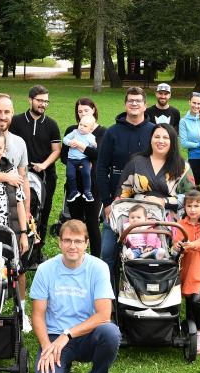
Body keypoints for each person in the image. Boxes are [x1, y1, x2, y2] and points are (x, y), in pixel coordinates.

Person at [32, 220, 120, 373]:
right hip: (55, 335)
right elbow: (38, 315)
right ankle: (63, 368)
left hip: (87, 334)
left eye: (78, 241)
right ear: (60, 242)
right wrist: (47, 346)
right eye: (67, 240)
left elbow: (104, 315)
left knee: (110, 332)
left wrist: (68, 334)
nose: (73, 246)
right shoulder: (45, 270)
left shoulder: (99, 268)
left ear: (86, 243)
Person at [96, 88, 156, 267]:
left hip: (146, 200)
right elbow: (101, 168)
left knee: (144, 251)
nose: (134, 104)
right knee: (107, 253)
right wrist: (107, 202)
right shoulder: (112, 132)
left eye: (138, 101)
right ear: (125, 104)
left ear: (145, 105)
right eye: (131, 100)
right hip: (117, 199)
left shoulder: (154, 132)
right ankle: (108, 285)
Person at [10, 85, 61, 252]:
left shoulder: (52, 124)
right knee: (19, 210)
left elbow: (56, 150)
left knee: (43, 213)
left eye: (46, 101)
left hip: (46, 175)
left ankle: (38, 251)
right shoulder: (16, 122)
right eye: (40, 100)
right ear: (30, 100)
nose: (43, 104)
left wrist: (44, 165)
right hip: (20, 174)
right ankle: (18, 246)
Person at [60, 98, 106, 256]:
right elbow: (63, 156)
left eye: (86, 110)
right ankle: (77, 256)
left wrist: (81, 147)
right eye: (80, 111)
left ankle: (96, 258)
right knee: (76, 222)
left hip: (93, 185)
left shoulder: (102, 132)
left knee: (92, 223)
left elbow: (99, 154)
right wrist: (80, 163)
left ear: (93, 110)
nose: (83, 114)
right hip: (74, 183)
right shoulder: (72, 130)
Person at [171, 189, 200, 354]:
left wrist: (189, 245)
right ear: (185, 207)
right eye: (189, 206)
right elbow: (176, 241)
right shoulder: (181, 224)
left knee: (196, 300)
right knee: (189, 302)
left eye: (196, 206)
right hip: (186, 268)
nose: (193, 209)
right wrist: (177, 246)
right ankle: (191, 331)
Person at [117, 124, 195, 206]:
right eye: (157, 137)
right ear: (151, 139)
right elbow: (123, 191)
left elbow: (191, 196)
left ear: (172, 141)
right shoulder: (136, 162)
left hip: (169, 213)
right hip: (138, 211)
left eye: (165, 137)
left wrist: (164, 202)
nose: (160, 141)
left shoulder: (183, 166)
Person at [63, 114, 98, 202]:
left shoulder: (91, 137)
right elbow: (65, 139)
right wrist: (69, 142)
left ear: (90, 129)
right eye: (80, 124)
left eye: (85, 126)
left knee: (86, 173)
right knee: (70, 175)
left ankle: (87, 191)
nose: (81, 127)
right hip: (71, 160)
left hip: (84, 159)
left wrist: (94, 145)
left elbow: (94, 150)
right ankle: (74, 191)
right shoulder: (74, 132)